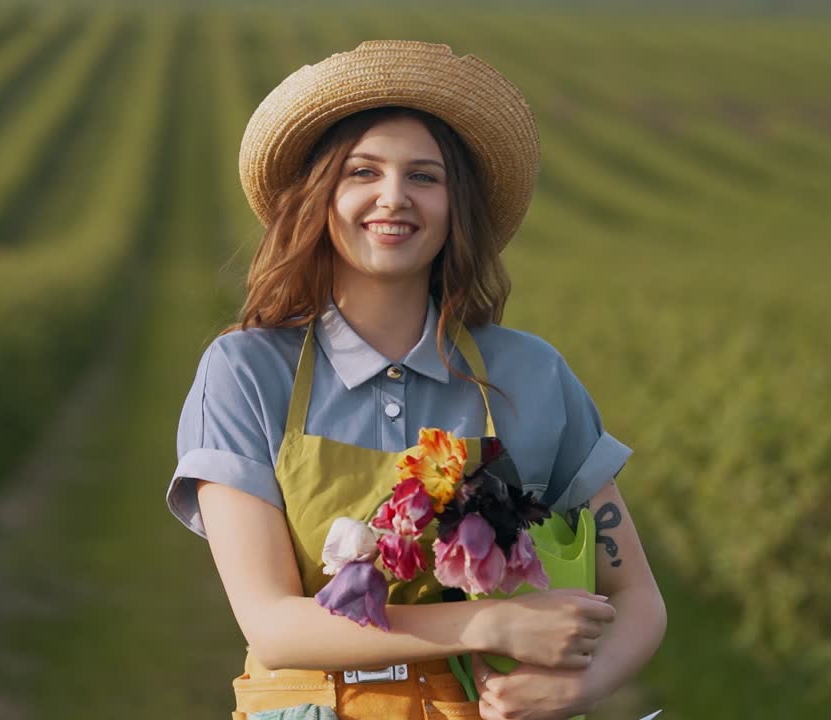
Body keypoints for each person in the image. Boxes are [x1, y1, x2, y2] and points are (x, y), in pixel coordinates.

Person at [166, 41, 666, 720]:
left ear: (455, 206)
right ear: (320, 197)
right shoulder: (247, 373)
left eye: (424, 177)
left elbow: (637, 595)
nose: (393, 197)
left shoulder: (532, 373)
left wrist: (578, 685)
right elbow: (273, 625)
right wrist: (485, 628)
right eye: (362, 171)